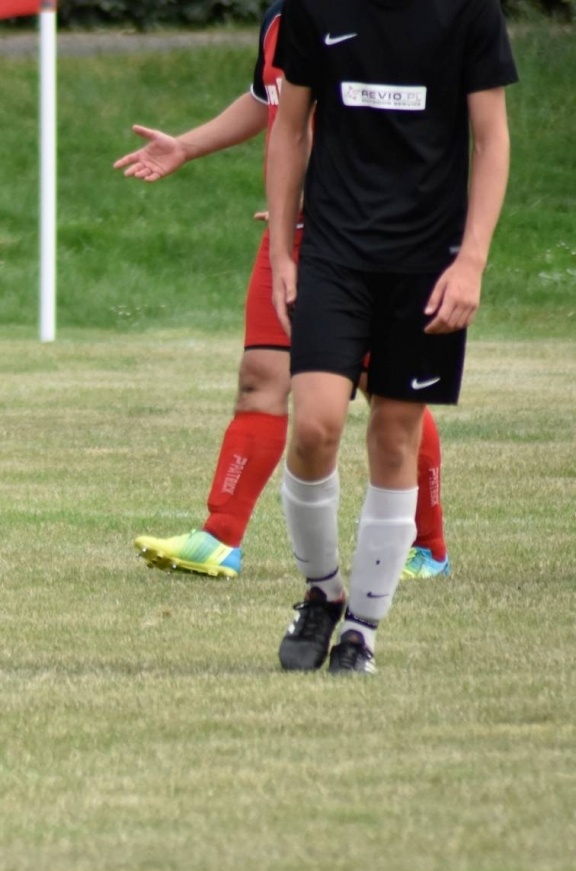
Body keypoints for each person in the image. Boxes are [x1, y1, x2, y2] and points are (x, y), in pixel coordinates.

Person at [114, 0, 451, 583]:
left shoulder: (390, 19)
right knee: (260, 377)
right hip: (291, 235)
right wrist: (189, 147)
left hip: (366, 238)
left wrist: (339, 202)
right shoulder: (282, 17)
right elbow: (270, 101)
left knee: (390, 396)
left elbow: (403, 123)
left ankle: (430, 548)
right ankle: (219, 538)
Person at [267, 0, 514, 673]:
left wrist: (471, 262)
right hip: (334, 254)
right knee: (314, 424)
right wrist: (284, 253)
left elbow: (491, 138)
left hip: (429, 260)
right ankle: (322, 594)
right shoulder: (315, 6)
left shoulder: (469, 11)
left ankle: (362, 632)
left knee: (395, 434)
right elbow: (289, 128)